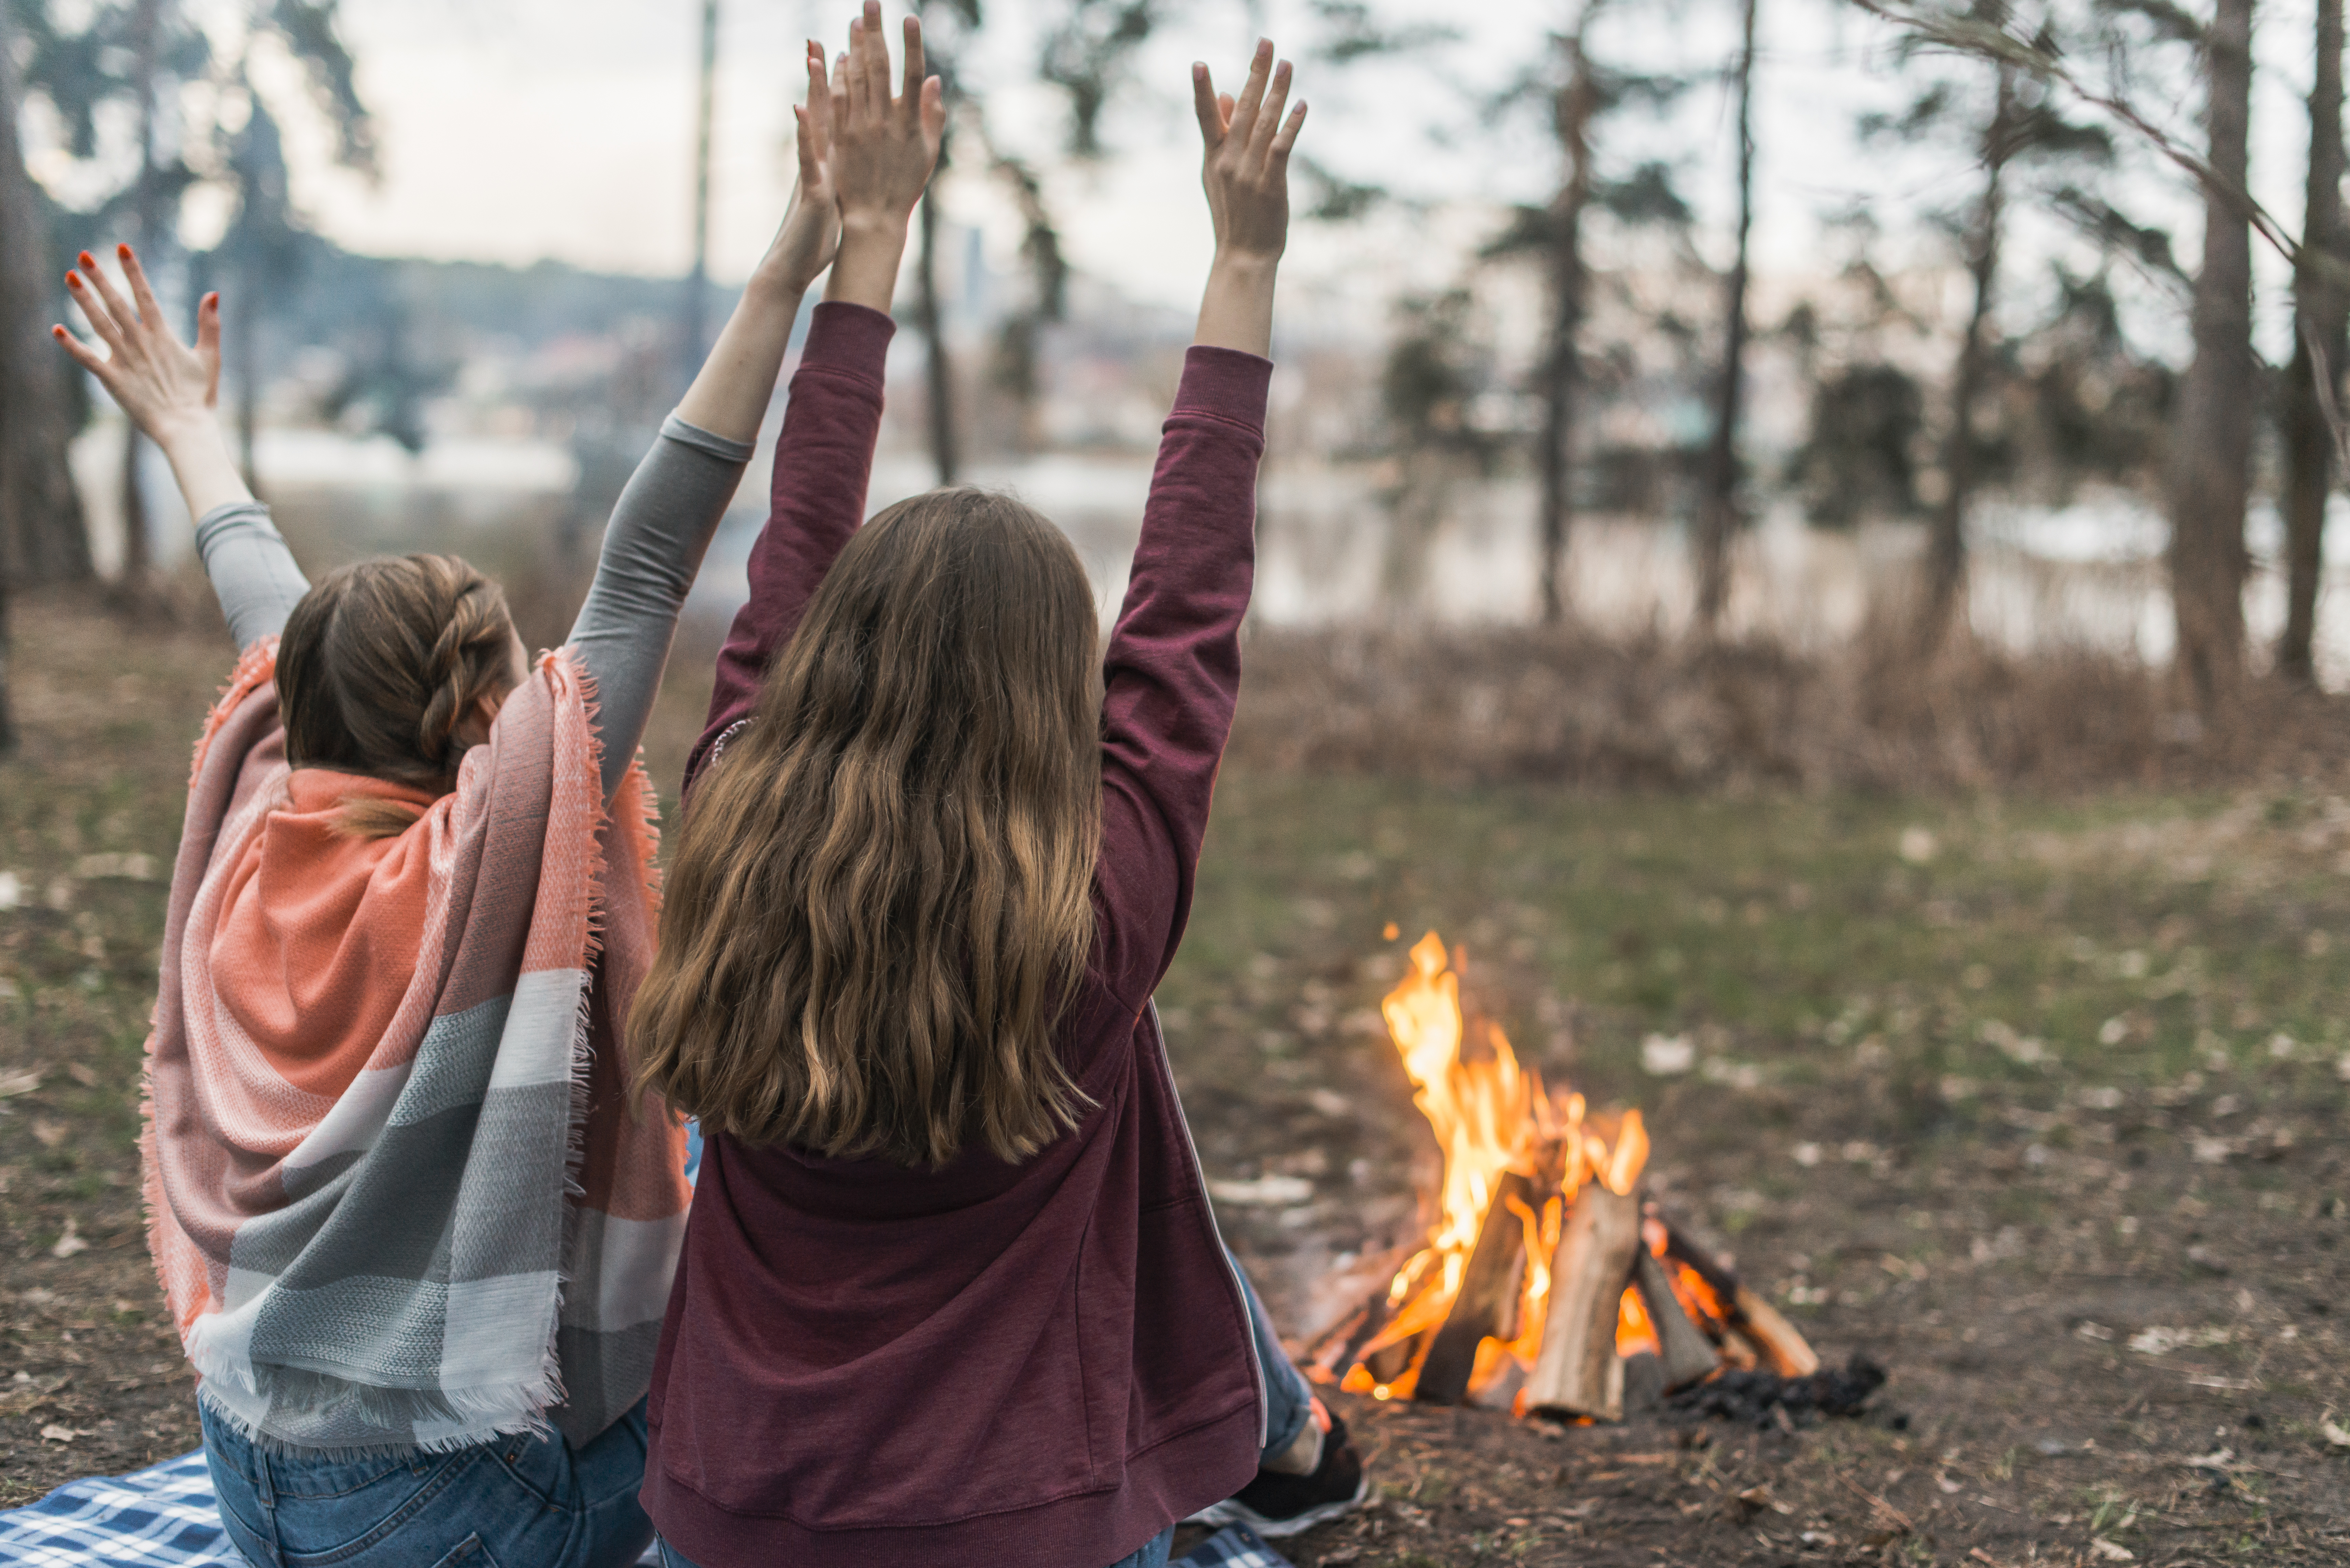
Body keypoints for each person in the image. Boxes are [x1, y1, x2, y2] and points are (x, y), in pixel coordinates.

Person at [52, 42, 854, 1568]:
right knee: (754, 1356)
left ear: (297, 703)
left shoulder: (254, 815)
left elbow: (259, 597)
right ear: (495, 731)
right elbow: (647, 559)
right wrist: (793, 264)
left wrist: (185, 429)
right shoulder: (489, 862)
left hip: (250, 1475)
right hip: (454, 1512)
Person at [628, 13, 1365, 1568]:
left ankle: (1275, 1425)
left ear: (827, 660)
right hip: (1016, 1536)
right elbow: (1183, 619)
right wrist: (1243, 266)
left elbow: (793, 554)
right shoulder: (1094, 925)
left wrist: (870, 244)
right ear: (1057, 702)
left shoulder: (731, 818)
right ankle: (1279, 1437)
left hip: (732, 1525)